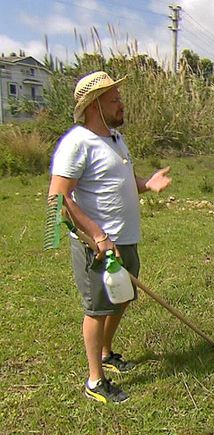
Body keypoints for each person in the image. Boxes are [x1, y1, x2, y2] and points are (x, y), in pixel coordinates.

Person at [48, 71, 172, 403]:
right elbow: (59, 199)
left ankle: (106, 353)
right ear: (94, 105)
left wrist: (148, 184)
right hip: (99, 247)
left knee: (122, 299)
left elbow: (125, 180)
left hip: (126, 239)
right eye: (114, 98)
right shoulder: (76, 143)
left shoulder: (116, 140)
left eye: (118, 97)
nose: (121, 103)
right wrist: (96, 235)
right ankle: (95, 381)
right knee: (97, 308)